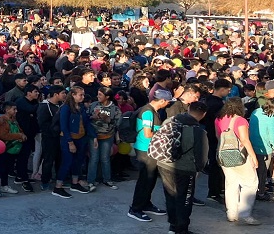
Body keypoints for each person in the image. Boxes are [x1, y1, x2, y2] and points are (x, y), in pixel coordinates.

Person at [156, 102, 209, 234]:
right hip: (185, 168)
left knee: (170, 195)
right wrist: (198, 169)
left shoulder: (170, 121)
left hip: (164, 164)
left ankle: (173, 225)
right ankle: (182, 228)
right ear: (204, 115)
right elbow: (202, 155)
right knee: (184, 199)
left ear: (189, 109)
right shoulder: (199, 131)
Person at [127, 87, 173, 222]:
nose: (168, 104)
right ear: (162, 100)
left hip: (150, 150)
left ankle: (146, 204)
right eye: (168, 102)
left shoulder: (153, 111)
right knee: (144, 180)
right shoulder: (147, 112)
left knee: (150, 180)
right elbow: (148, 134)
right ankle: (135, 209)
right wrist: (164, 134)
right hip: (145, 150)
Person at [215, 97, 260, 226]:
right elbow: (245, 140)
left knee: (231, 183)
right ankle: (244, 214)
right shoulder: (241, 120)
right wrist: (254, 157)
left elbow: (218, 137)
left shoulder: (218, 119)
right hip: (240, 156)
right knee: (250, 184)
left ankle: (231, 213)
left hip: (223, 155)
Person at [54, 85, 95, 197]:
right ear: (73, 95)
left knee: (78, 162)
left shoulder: (81, 107)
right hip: (69, 139)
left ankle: (75, 183)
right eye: (80, 95)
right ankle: (58, 187)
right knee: (67, 162)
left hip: (81, 138)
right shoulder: (66, 108)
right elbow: (64, 126)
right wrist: (70, 142)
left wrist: (94, 136)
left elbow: (86, 123)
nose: (82, 97)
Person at [248, 96, 274, 198]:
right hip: (264, 148)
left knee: (252, 171)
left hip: (251, 145)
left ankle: (251, 190)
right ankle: (260, 192)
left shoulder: (256, 111)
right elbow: (273, 136)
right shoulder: (273, 118)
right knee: (262, 172)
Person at [88, 86, 120, 189]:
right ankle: (91, 181)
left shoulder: (114, 109)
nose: (98, 96)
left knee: (105, 158)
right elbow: (85, 117)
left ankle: (107, 179)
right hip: (94, 136)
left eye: (100, 95)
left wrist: (108, 119)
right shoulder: (93, 105)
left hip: (107, 136)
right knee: (94, 158)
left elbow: (118, 123)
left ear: (107, 97)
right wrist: (92, 117)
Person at [0, 101, 25, 197]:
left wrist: (22, 134)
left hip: (11, 148)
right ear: (7, 110)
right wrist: (18, 135)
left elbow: (18, 129)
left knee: (6, 168)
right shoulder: (2, 120)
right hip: (3, 148)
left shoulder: (13, 119)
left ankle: (4, 186)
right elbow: (4, 135)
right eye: (14, 109)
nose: (16, 111)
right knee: (0, 168)